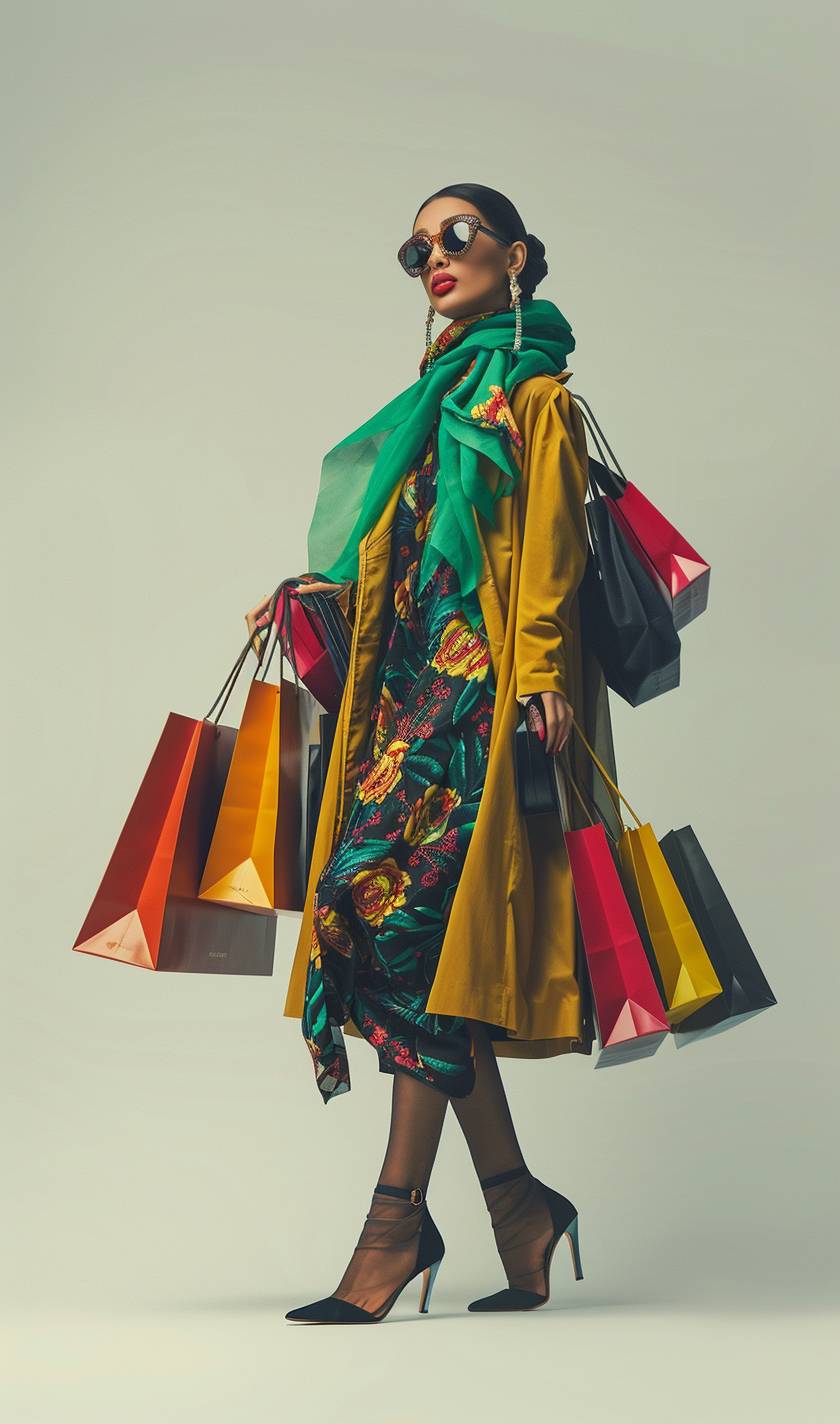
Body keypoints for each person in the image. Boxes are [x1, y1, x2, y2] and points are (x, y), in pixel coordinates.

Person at [245, 183, 621, 1323]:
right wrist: (308, 593)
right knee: (382, 926)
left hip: (485, 709)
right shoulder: (429, 401)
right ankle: (516, 1203)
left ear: (517, 255)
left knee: (410, 936)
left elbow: (548, 547)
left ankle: (396, 1225)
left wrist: (547, 672)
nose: (434, 258)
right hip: (403, 703)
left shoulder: (535, 395)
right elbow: (395, 556)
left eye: (456, 236)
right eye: (416, 246)